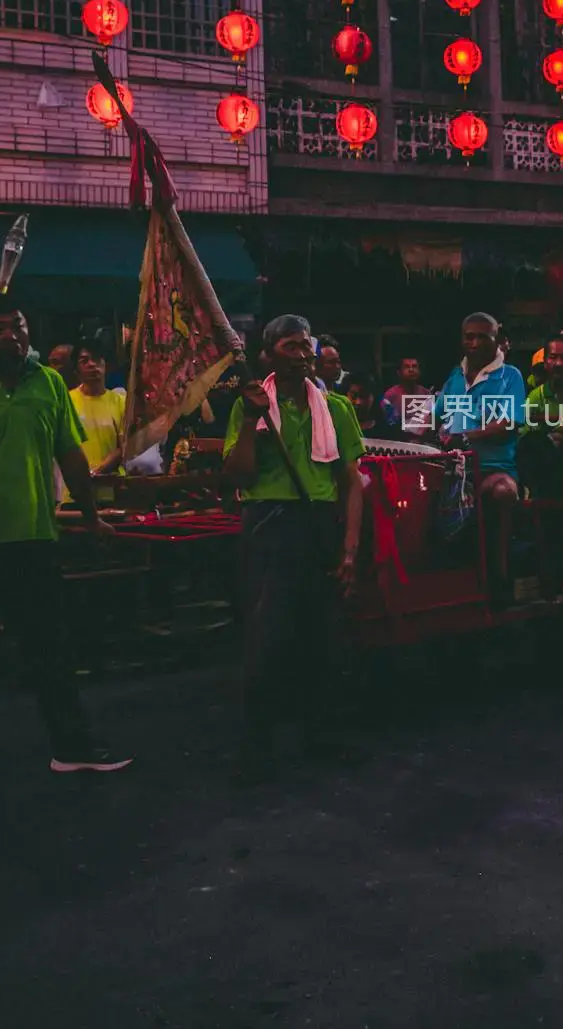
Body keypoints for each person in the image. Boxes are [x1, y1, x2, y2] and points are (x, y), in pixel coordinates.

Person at [0, 294, 131, 789]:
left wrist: (92, 517)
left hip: (33, 537)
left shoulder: (50, 383)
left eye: (19, 325)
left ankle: (71, 749)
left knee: (50, 649)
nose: (12, 335)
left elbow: (71, 457)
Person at [223, 315, 365, 784]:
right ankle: (255, 749)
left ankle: (324, 737)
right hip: (270, 524)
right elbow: (241, 475)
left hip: (320, 526)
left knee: (325, 639)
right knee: (267, 640)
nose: (303, 355)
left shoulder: (336, 408)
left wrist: (349, 550)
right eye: (291, 346)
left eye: (307, 346)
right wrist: (248, 419)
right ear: (268, 354)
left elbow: (351, 484)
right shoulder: (250, 405)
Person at [436, 313, 528, 604]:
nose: (473, 343)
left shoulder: (509, 376)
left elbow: (509, 424)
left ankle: (499, 578)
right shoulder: (455, 377)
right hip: (454, 470)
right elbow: (435, 416)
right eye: (468, 336)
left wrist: (467, 435)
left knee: (503, 492)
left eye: (482, 337)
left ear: (496, 340)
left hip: (493, 470)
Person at [522, 332, 563, 600]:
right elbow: (527, 435)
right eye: (553, 358)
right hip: (550, 478)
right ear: (545, 362)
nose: (558, 363)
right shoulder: (535, 396)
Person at [66, 339, 126, 502]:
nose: (92, 364)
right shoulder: (67, 401)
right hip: (75, 491)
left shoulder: (120, 401)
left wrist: (97, 472)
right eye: (84, 360)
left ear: (105, 364)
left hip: (113, 489)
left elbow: (124, 447)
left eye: (97, 359)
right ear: (76, 369)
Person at [380, 356, 433, 435]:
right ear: (399, 372)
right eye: (407, 367)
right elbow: (390, 425)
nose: (411, 370)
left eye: (414, 366)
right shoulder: (390, 395)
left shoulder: (426, 394)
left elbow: (429, 422)